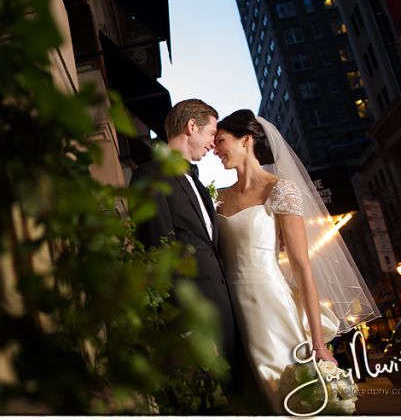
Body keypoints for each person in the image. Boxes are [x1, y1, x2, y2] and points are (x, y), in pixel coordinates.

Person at [212, 109, 380, 413]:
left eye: (221, 141)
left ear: (246, 139)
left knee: (282, 395)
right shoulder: (218, 198)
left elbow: (303, 268)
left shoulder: (280, 190)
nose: (215, 150)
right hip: (229, 308)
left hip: (270, 305)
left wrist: (318, 344)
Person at [130, 99, 246, 406]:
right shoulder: (149, 176)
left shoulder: (197, 184)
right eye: (210, 133)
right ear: (191, 126)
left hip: (226, 318)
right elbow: (159, 254)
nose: (213, 142)